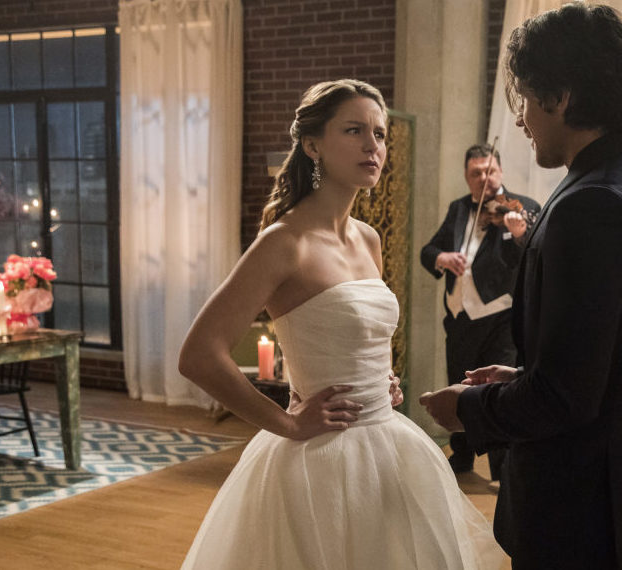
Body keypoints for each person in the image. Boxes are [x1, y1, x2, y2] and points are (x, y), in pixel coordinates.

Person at [420, 5, 622, 569]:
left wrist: (469, 408)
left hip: (576, 511)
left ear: (562, 97)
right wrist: (524, 375)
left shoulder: (591, 206)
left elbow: (566, 398)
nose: (520, 119)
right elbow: (610, 362)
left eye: (526, 98)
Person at [178, 79, 503, 569]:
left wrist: (381, 378)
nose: (373, 146)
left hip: (388, 444)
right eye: (354, 131)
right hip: (319, 460)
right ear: (312, 145)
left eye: (380, 134)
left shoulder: (368, 239)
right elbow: (199, 355)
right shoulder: (284, 242)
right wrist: (287, 422)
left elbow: (360, 329)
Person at [420, 144, 539, 478]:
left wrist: (518, 234)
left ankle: (501, 468)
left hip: (501, 317)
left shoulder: (523, 207)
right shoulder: (459, 208)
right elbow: (429, 250)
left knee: (497, 391)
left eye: (490, 171)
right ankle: (462, 456)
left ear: (500, 171)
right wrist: (442, 258)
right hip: (459, 317)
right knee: (459, 383)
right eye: (477, 173)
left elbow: (531, 260)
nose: (485, 178)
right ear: (467, 176)